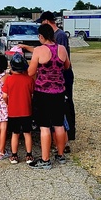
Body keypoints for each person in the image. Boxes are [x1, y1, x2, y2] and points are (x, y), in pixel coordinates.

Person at [28, 23, 70, 169]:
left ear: (41, 36)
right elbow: (67, 66)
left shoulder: (39, 50)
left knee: (44, 126)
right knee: (58, 124)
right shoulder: (62, 49)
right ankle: (60, 155)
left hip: (43, 92)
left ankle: (45, 160)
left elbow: (30, 72)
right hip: (59, 92)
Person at [37, 10, 75, 147]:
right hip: (58, 77)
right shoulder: (54, 38)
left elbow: (64, 61)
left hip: (63, 76)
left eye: (42, 22)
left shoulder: (60, 36)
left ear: (47, 21)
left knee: (65, 106)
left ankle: (68, 134)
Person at [4, 53, 34, 165]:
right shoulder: (29, 80)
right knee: (27, 133)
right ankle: (29, 154)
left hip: (13, 111)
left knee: (15, 133)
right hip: (26, 110)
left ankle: (14, 155)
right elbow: (32, 93)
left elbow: (4, 96)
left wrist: (8, 103)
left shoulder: (9, 80)